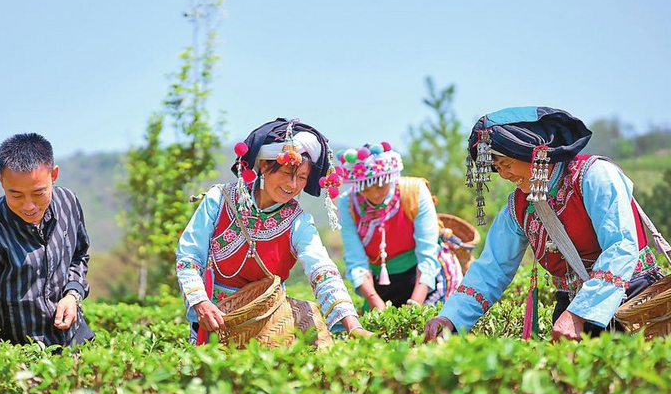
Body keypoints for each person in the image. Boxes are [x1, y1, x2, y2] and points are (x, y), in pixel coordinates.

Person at [424, 107, 664, 342]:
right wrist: (450, 318)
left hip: (635, 301)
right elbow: (491, 270)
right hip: (571, 312)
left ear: (532, 151)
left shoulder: (595, 175)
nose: (504, 175)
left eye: (506, 163)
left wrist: (580, 313)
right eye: (497, 168)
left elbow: (620, 246)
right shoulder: (517, 207)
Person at [176, 118, 369, 344]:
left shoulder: (298, 222)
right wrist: (201, 303)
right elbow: (189, 255)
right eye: (287, 173)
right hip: (214, 321)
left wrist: (353, 325)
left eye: (302, 177)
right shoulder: (219, 200)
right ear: (265, 166)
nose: (293, 184)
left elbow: (322, 269)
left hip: (269, 326)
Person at [0, 133, 94, 351]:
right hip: (22, 353)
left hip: (75, 340)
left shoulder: (69, 203)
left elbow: (79, 256)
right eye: (17, 195)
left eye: (39, 193)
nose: (29, 206)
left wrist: (72, 295)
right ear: (1, 179)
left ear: (54, 175)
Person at [336, 142, 463, 310]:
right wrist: (374, 300)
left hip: (423, 275)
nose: (374, 193)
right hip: (379, 281)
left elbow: (427, 252)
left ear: (390, 177)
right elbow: (356, 260)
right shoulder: (348, 203)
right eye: (366, 188)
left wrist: (415, 306)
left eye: (380, 184)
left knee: (434, 326)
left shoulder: (414, 191)